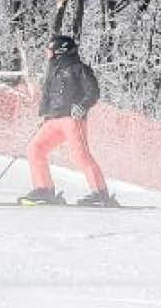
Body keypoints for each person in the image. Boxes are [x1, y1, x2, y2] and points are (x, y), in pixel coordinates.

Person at [22, 32, 114, 207]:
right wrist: (44, 115)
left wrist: (83, 106)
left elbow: (93, 92)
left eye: (50, 50)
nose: (48, 54)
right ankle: (44, 189)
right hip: (53, 120)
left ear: (61, 51)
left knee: (79, 155)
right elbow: (48, 95)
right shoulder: (52, 71)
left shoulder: (79, 68)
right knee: (35, 148)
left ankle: (100, 193)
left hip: (72, 119)